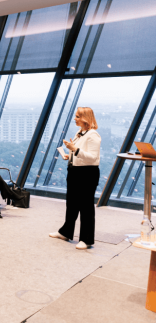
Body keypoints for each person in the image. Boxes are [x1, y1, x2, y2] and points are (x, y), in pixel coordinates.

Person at [50, 107, 102, 250]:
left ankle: (86, 239)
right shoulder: (80, 133)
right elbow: (80, 153)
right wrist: (70, 155)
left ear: (86, 118)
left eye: (78, 116)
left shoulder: (93, 135)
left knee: (86, 206)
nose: (75, 119)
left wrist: (74, 150)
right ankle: (66, 232)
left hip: (87, 174)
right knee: (72, 204)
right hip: (74, 171)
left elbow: (92, 158)